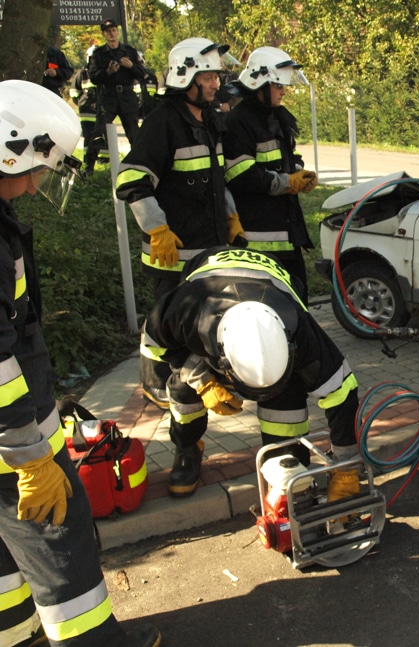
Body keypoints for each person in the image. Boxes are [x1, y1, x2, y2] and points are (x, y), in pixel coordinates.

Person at [0, 80, 160, 647]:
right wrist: (29, 458)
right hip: (14, 446)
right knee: (59, 542)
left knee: (5, 558)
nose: (44, 179)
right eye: (42, 165)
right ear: (9, 149)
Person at [140, 246, 361, 499]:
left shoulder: (301, 329)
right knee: (182, 389)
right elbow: (154, 344)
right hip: (208, 289)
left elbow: (342, 393)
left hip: (273, 282)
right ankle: (187, 448)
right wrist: (202, 381)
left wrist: (347, 468)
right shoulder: (186, 308)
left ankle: (287, 462)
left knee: (288, 396)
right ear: (220, 358)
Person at [116, 37, 244, 409]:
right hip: (171, 252)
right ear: (184, 74)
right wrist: (156, 228)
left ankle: (195, 376)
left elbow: (216, 178)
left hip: (208, 247)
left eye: (216, 76)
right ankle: (156, 384)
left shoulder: (209, 121)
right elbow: (131, 179)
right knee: (165, 322)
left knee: (200, 317)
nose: (215, 83)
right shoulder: (163, 122)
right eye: (208, 76)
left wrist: (231, 216)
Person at [223, 47, 318, 303]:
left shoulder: (278, 117)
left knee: (299, 305)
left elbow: (288, 159)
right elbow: (240, 175)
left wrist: (300, 173)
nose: (284, 90)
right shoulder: (238, 122)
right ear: (259, 83)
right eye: (278, 85)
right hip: (258, 239)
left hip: (287, 234)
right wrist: (288, 183)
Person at [83, 18, 147, 175]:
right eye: (107, 32)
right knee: (98, 131)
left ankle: (141, 166)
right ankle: (89, 167)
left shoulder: (130, 52)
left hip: (126, 95)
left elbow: (142, 74)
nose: (111, 34)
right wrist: (108, 72)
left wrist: (131, 66)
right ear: (104, 34)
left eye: (113, 31)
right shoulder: (98, 55)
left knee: (134, 133)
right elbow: (94, 77)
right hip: (108, 96)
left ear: (117, 32)